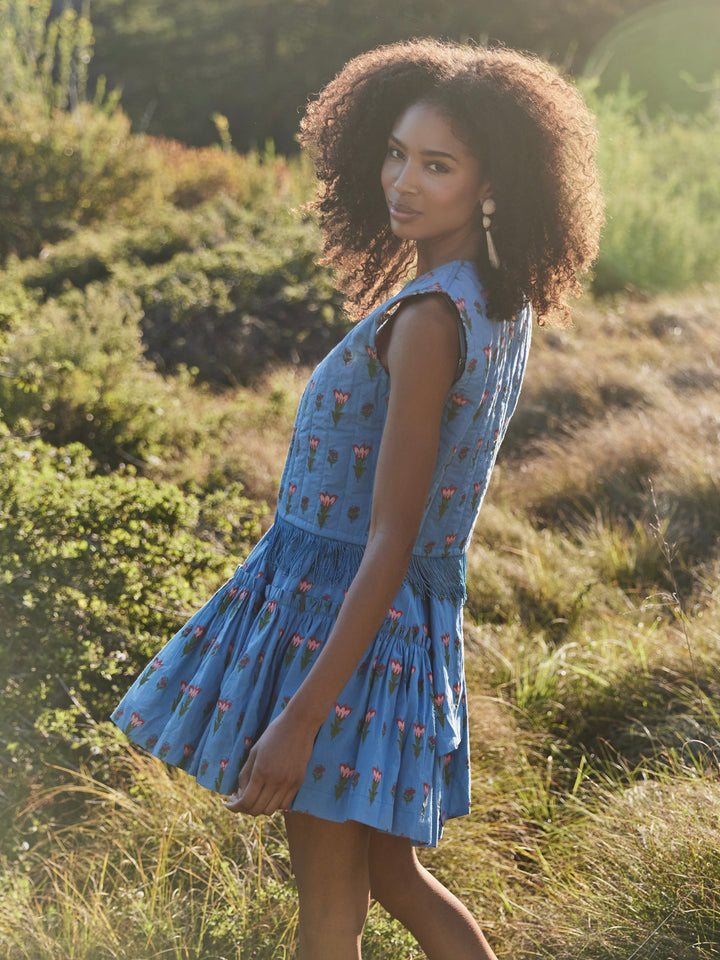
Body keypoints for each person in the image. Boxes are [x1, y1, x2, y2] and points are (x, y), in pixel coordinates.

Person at [112, 38, 603, 960]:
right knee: (393, 879)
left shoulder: (429, 320)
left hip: (346, 634)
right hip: (394, 627)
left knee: (331, 912)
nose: (403, 182)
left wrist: (300, 718)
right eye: (396, 153)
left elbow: (391, 535)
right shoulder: (495, 296)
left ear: (491, 184)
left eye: (437, 165)